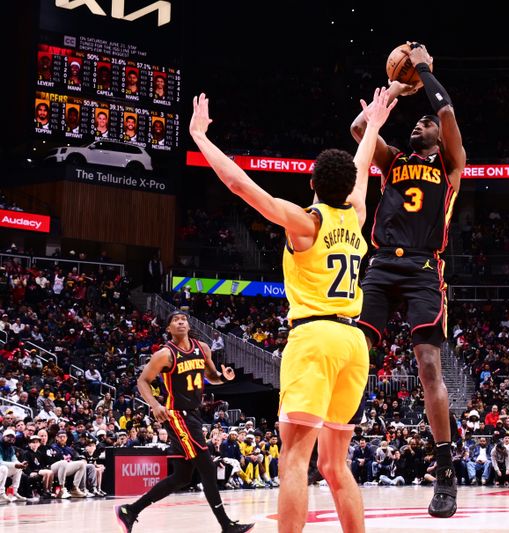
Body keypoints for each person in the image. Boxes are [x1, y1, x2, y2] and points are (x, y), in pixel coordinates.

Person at [189, 87, 395, 533]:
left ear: (312, 185)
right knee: (337, 466)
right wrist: (374, 125)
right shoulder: (356, 215)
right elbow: (360, 170)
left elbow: (240, 185)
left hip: (315, 337)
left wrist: (201, 138)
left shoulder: (307, 223)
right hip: (354, 341)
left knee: (295, 460)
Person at [349, 41, 466, 518]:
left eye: (425, 122)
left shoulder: (450, 164)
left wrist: (421, 69)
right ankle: (336, 446)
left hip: (422, 266)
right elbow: (359, 129)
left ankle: (445, 471)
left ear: (437, 137)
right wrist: (393, 91)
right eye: (416, 121)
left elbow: (447, 110)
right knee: (357, 353)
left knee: (428, 366)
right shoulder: (392, 159)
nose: (420, 122)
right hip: (380, 264)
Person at [114, 310, 253, 533]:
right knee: (207, 467)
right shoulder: (165, 354)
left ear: (188, 325)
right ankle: (226, 525)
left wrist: (223, 377)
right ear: (168, 328)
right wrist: (155, 404)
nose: (180, 322)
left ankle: (130, 511)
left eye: (184, 319)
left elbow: (211, 376)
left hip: (194, 414)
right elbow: (143, 381)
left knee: (182, 476)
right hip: (177, 415)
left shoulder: (203, 348)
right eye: (175, 321)